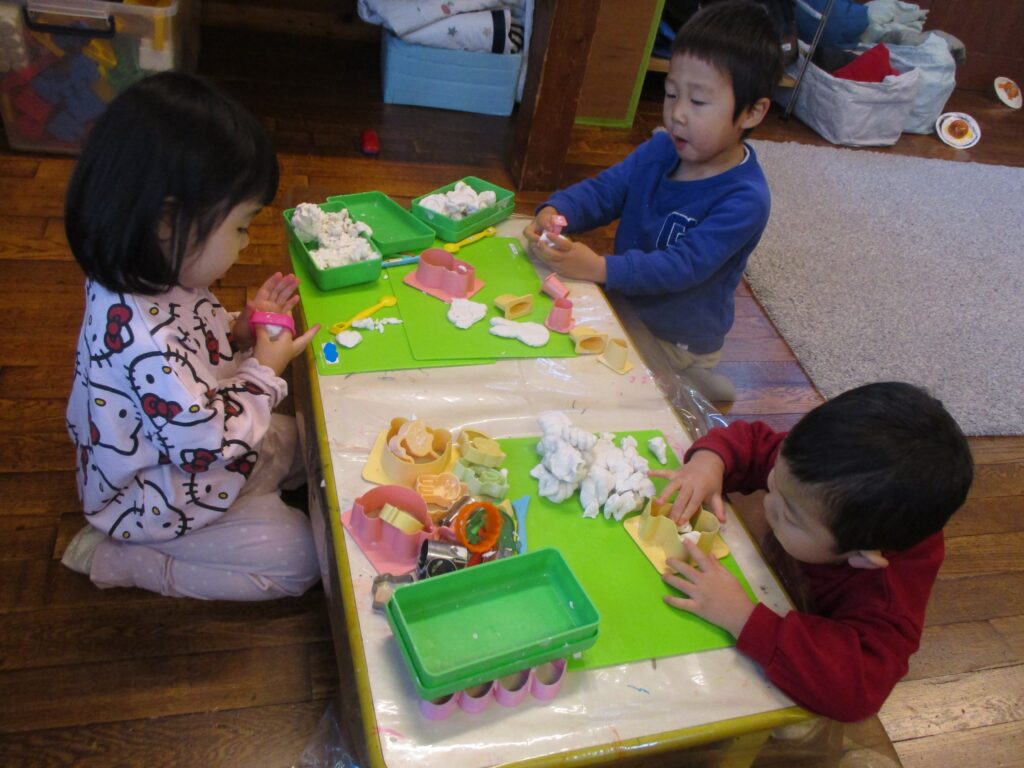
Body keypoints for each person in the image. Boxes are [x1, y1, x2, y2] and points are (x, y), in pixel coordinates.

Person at [60, 72, 323, 601]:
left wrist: (239, 330)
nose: (246, 242)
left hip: (186, 447)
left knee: (305, 444)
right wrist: (265, 369)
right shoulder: (145, 340)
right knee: (302, 557)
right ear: (167, 223)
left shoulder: (146, 271)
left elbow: (189, 340)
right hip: (154, 499)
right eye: (241, 226)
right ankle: (122, 559)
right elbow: (207, 443)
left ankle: (252, 495)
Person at [649, 382, 973, 721]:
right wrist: (709, 462)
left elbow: (857, 688)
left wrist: (742, 617)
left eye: (789, 515)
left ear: (860, 558)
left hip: (803, 625)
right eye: (774, 481)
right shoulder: (815, 472)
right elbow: (755, 443)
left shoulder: (885, 596)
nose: (769, 501)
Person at [523, 0, 783, 403]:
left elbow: (680, 267)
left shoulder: (745, 199)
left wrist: (599, 268)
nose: (677, 114)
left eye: (698, 102)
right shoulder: (661, 149)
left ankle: (688, 377)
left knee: (608, 386)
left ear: (752, 112)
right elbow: (607, 190)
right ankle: (693, 379)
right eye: (671, 93)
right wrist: (557, 210)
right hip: (627, 301)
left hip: (676, 335)